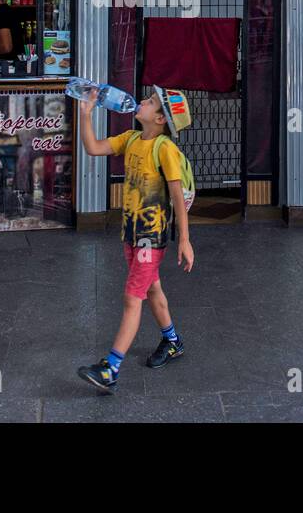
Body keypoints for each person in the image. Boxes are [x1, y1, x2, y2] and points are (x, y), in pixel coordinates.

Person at [75, 86, 194, 393]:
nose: (141, 101)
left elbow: (178, 198)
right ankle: (172, 340)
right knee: (152, 289)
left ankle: (110, 368)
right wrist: (86, 115)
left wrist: (184, 239)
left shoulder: (164, 149)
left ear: (160, 118)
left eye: (150, 101)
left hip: (150, 238)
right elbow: (93, 148)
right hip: (131, 231)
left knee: (132, 297)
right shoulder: (130, 140)